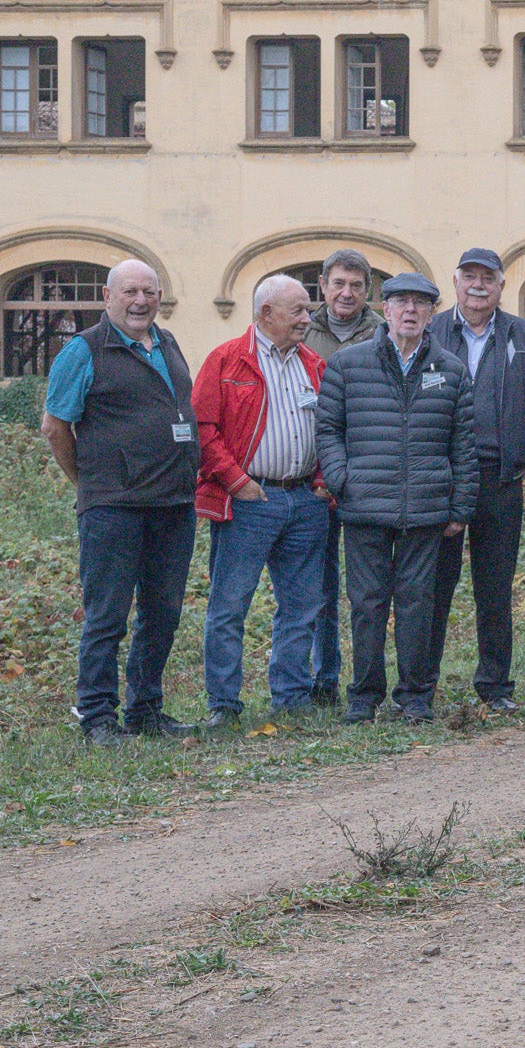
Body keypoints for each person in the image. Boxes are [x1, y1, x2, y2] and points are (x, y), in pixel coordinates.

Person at [41, 260, 201, 746]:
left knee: (162, 613)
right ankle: (97, 719)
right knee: (107, 615)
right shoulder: (83, 351)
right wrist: (88, 483)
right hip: (114, 507)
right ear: (107, 297)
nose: (140, 301)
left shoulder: (168, 343)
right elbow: (55, 427)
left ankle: (146, 711)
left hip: (173, 505)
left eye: (149, 292)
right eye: (130, 291)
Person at [316, 272, 476, 724]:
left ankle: (415, 696)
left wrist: (460, 506)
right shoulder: (349, 364)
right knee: (366, 604)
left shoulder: (450, 370)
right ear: (384, 310)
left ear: (431, 313)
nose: (410, 311)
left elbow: (462, 444)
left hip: (425, 507)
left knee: (417, 605)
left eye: (420, 304)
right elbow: (328, 429)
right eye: (401, 302)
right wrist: (342, 479)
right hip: (365, 506)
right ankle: (364, 696)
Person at [193, 274, 330, 726]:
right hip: (250, 500)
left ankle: (291, 697)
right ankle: (224, 706)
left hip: (305, 501)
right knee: (230, 605)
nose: (308, 319)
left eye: (308, 310)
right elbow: (203, 429)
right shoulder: (226, 360)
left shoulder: (313, 364)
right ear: (266, 313)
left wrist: (323, 479)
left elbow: (329, 429)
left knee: (302, 606)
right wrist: (236, 481)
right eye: (299, 311)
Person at [427, 248, 525, 713]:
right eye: (469, 277)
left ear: (501, 285)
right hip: (442, 478)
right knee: (434, 585)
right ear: (455, 282)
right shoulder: (433, 330)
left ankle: (495, 685)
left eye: (488, 278)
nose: (478, 285)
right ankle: (422, 684)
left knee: (495, 588)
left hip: (501, 479)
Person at [304, 248, 384, 706]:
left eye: (356, 285)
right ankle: (323, 676)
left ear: (368, 289)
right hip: (310, 477)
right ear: (324, 285)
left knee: (365, 589)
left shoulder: (383, 331)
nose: (347, 293)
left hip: (366, 476)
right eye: (339, 283)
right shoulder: (303, 330)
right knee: (318, 585)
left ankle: (365, 677)